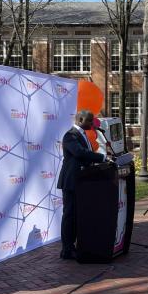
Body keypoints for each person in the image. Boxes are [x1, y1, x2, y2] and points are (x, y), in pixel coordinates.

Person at [57, 110, 105, 260]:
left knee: (78, 215)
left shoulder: (82, 134)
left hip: (82, 181)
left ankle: (77, 245)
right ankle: (67, 249)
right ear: (81, 119)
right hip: (71, 182)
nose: (92, 124)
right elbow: (79, 153)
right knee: (69, 215)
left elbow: (86, 154)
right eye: (89, 121)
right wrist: (102, 157)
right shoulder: (70, 135)